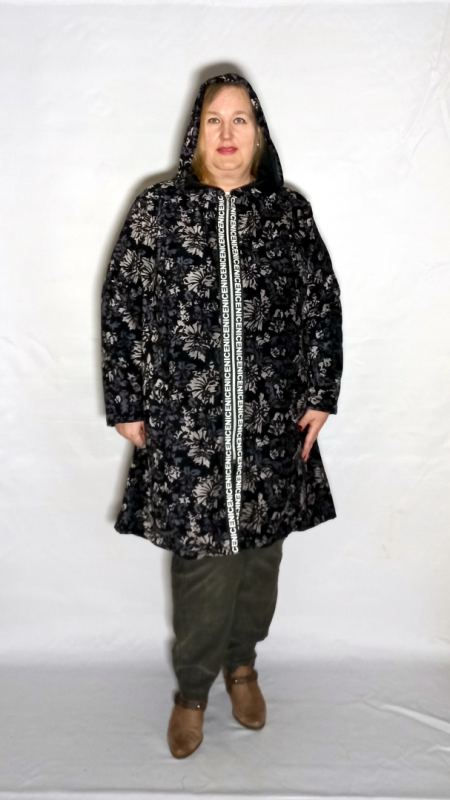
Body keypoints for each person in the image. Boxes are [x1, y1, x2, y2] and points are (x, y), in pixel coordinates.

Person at [101, 72, 343, 758]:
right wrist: (127, 403)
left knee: (262, 557)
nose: (228, 133)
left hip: (271, 422)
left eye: (241, 120)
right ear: (197, 131)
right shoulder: (159, 210)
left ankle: (243, 666)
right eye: (215, 120)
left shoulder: (288, 213)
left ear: (258, 134)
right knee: (202, 562)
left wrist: (321, 393)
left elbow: (321, 303)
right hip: (187, 425)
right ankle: (192, 692)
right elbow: (121, 307)